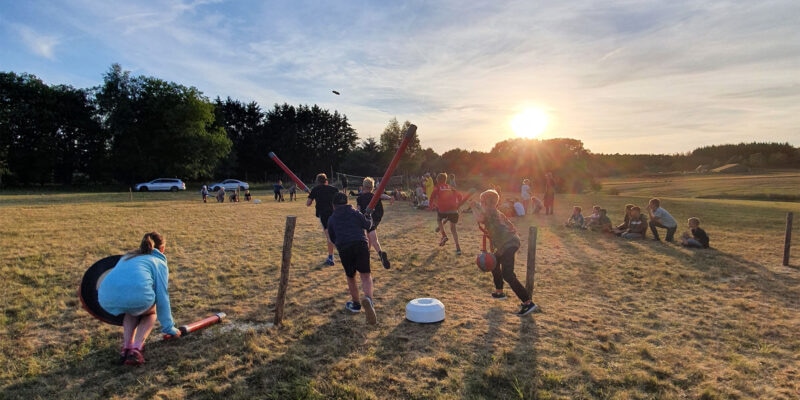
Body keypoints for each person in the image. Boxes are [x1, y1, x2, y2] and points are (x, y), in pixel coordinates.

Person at [98, 232, 181, 366]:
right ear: (162, 249)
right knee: (151, 312)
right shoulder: (158, 262)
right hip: (135, 298)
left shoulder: (127, 257)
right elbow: (162, 297)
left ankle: (126, 348)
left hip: (105, 298)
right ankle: (136, 348)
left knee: (132, 310)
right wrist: (169, 328)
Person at [472, 189, 538, 316]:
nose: (480, 204)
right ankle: (499, 291)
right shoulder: (496, 212)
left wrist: (473, 208)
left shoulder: (490, 212)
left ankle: (528, 302)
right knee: (495, 262)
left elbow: (480, 218)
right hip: (508, 243)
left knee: (507, 274)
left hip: (508, 244)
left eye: (481, 202)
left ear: (485, 202)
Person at [327, 192, 377, 325]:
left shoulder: (332, 219)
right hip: (360, 244)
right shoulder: (355, 213)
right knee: (365, 275)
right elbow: (368, 225)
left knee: (351, 276)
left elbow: (331, 238)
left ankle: (356, 304)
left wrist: (339, 244)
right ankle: (369, 300)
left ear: (333, 206)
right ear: (348, 202)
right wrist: (368, 216)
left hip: (344, 247)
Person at [356, 177, 392, 269]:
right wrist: (390, 198)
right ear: (372, 187)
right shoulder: (374, 195)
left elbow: (358, 210)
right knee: (370, 236)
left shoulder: (360, 198)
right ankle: (367, 252)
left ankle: (380, 254)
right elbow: (381, 195)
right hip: (377, 217)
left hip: (368, 219)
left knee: (373, 238)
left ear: (363, 186)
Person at [307, 173, 340, 266]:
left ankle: (331, 257)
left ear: (317, 181)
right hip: (336, 215)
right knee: (334, 235)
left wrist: (312, 195)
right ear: (326, 180)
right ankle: (333, 256)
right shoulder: (334, 189)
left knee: (330, 237)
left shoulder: (315, 189)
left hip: (324, 216)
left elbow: (308, 203)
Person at [430, 172, 463, 255]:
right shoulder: (450, 187)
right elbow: (460, 196)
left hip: (443, 209)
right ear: (445, 180)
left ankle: (444, 235)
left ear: (437, 180)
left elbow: (432, 197)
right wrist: (458, 204)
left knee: (439, 219)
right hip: (454, 210)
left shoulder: (437, 187)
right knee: (453, 229)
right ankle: (458, 248)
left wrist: (430, 206)